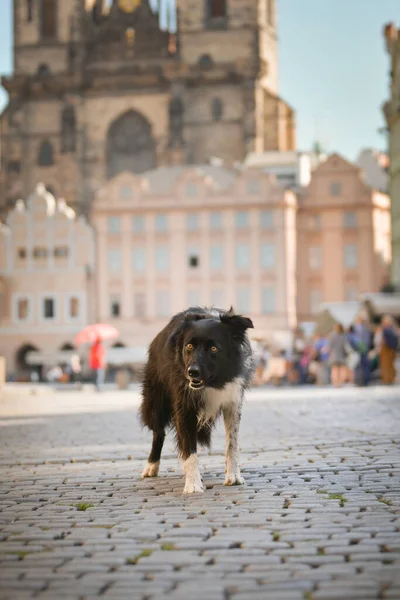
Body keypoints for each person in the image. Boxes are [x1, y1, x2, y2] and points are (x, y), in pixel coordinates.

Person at [353, 316, 373, 386]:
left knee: (361, 365)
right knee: (362, 365)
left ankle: (362, 380)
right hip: (362, 348)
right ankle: (362, 380)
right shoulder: (365, 328)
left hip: (361, 348)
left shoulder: (360, 328)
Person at [379, 315, 398, 385]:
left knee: (386, 365)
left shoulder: (386, 329)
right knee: (389, 365)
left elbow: (383, 340)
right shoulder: (393, 329)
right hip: (391, 349)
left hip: (387, 349)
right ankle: (389, 379)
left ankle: (386, 379)